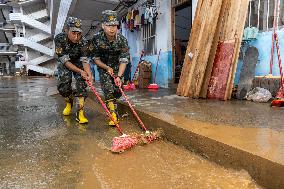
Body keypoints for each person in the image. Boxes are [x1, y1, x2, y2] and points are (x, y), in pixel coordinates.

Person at [89, 10, 130, 126]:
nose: (112, 28)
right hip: (103, 66)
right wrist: (106, 67)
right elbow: (95, 59)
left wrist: (119, 76)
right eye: (109, 25)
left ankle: (113, 102)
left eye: (114, 25)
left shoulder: (122, 40)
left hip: (118, 67)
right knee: (108, 88)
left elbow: (124, 59)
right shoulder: (96, 39)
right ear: (103, 25)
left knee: (118, 90)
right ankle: (113, 114)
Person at [54, 17, 93, 124]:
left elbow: (85, 61)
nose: (76, 37)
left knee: (82, 85)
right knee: (63, 87)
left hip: (78, 62)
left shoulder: (84, 42)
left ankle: (80, 113)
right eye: (73, 33)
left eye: (79, 34)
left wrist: (89, 75)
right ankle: (69, 102)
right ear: (67, 30)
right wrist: (80, 71)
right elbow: (65, 61)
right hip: (65, 61)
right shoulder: (59, 39)